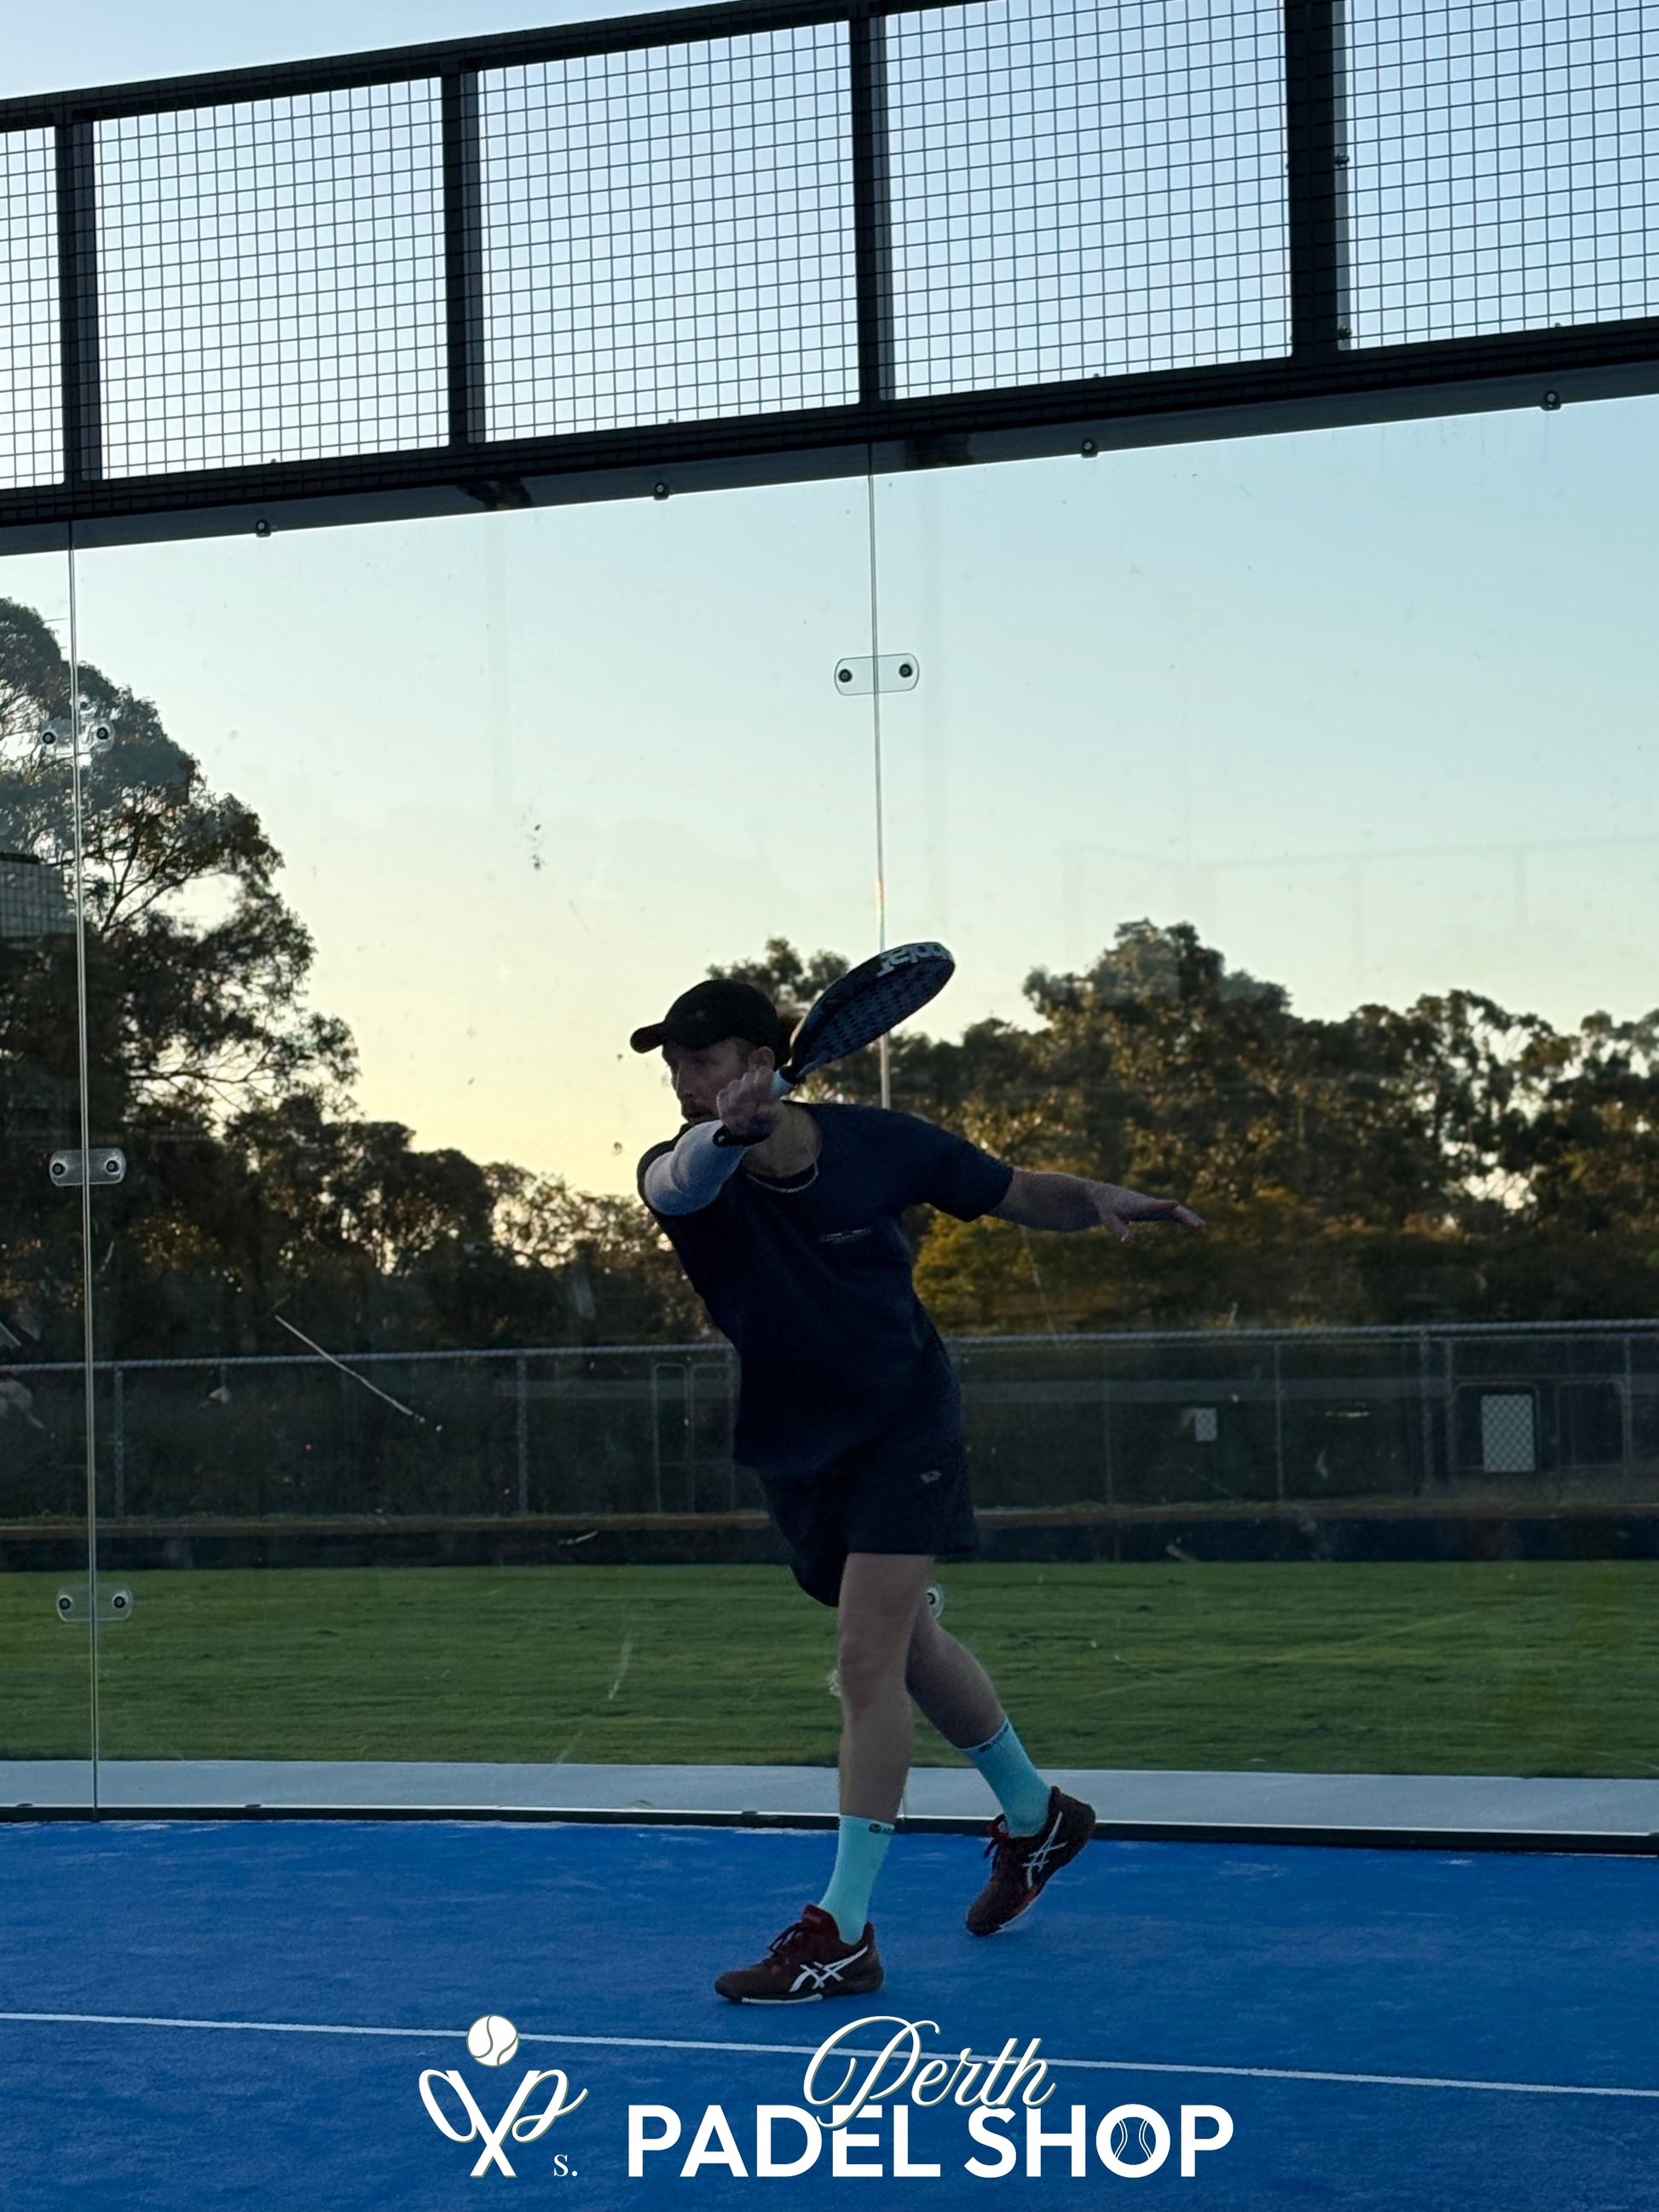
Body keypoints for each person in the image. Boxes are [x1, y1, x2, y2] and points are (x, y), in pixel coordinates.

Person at [632, 975, 1203, 2003]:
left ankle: (841, 1932)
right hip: (795, 1442)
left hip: (905, 1421)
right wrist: (727, 1129)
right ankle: (1037, 1818)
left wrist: (1094, 1198)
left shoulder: (880, 1143)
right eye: (672, 1064)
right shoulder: (680, 1165)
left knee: (866, 1660)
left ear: (760, 1061)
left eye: (701, 1062)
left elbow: (1012, 1188)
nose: (681, 1081)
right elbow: (680, 1182)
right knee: (906, 1646)